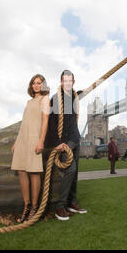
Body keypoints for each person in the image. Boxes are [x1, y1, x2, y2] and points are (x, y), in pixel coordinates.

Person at [43, 70, 87, 221]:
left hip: (75, 139)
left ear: (73, 82)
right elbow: (52, 123)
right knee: (70, 170)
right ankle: (60, 206)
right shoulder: (56, 99)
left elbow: (81, 92)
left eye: (70, 80)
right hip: (65, 142)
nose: (68, 82)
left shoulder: (74, 97)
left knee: (75, 174)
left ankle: (71, 202)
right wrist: (57, 143)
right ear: (61, 82)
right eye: (65, 80)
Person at [11, 74, 50, 223]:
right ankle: (26, 205)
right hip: (22, 139)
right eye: (34, 83)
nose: (36, 85)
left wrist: (41, 141)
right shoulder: (28, 102)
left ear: (43, 85)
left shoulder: (45, 99)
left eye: (39, 83)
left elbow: (45, 121)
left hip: (35, 139)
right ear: (31, 85)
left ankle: (34, 207)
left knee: (34, 172)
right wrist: (16, 141)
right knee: (21, 170)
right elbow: (24, 123)